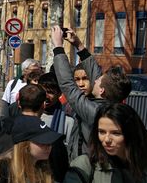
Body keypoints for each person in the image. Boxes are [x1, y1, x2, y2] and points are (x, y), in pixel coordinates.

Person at [51, 25, 131, 156]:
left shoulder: (95, 111)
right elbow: (94, 70)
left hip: (86, 168)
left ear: (102, 90)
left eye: (99, 80)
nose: (95, 80)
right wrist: (78, 44)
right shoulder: (110, 106)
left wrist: (58, 48)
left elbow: (68, 86)